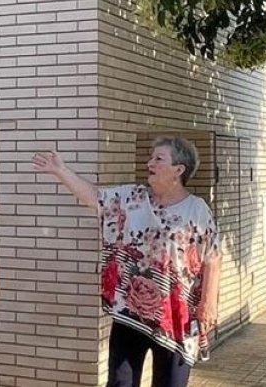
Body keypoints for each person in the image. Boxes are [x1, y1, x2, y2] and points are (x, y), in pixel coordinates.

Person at [33, 137, 220, 387]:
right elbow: (95, 198)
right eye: (151, 157)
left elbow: (212, 256)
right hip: (130, 310)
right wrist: (61, 171)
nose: (149, 163)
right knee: (120, 383)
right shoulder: (133, 198)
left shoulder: (196, 209)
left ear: (179, 169)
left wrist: (208, 303)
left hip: (176, 317)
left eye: (158, 159)